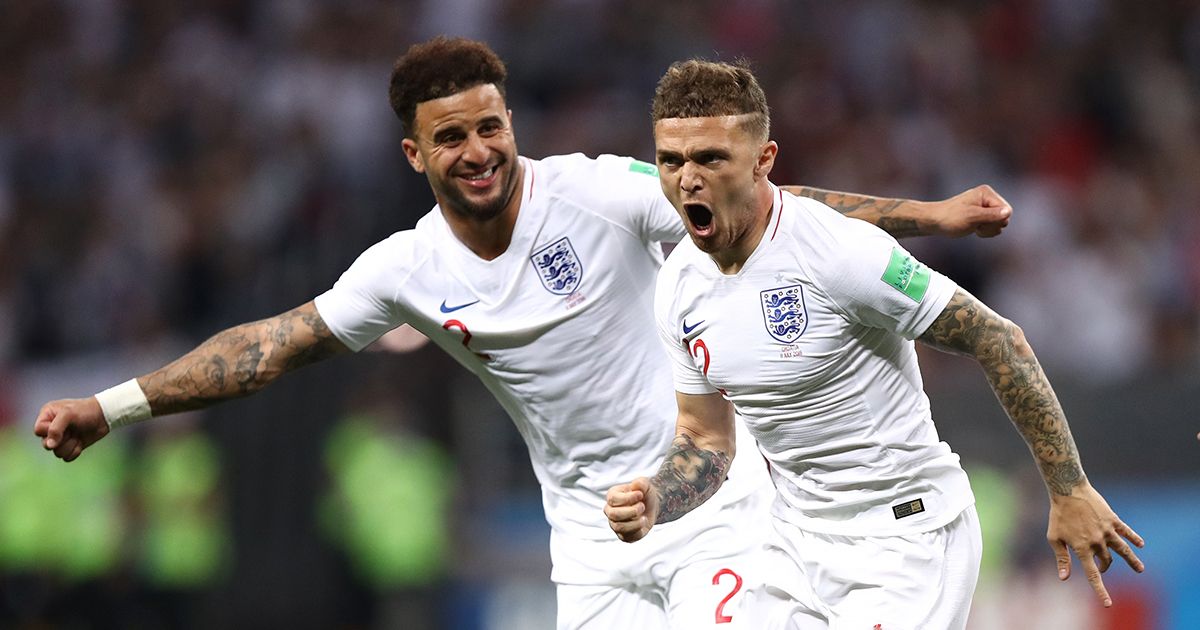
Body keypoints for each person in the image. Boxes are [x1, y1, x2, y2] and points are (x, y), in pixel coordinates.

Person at [34, 38, 1011, 629]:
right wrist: (113, 408)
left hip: (717, 501)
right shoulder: (407, 269)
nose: (478, 151)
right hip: (589, 541)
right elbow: (268, 348)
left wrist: (927, 215)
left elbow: (763, 204)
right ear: (416, 152)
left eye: (490, 126)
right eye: (451, 137)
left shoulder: (593, 192)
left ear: (509, 122)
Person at [604, 59, 1144, 629]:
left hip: (905, 541)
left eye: (711, 158)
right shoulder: (679, 285)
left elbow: (996, 337)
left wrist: (1069, 488)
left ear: (764, 161)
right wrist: (658, 498)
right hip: (793, 543)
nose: (688, 178)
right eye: (671, 160)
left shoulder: (839, 255)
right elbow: (706, 438)